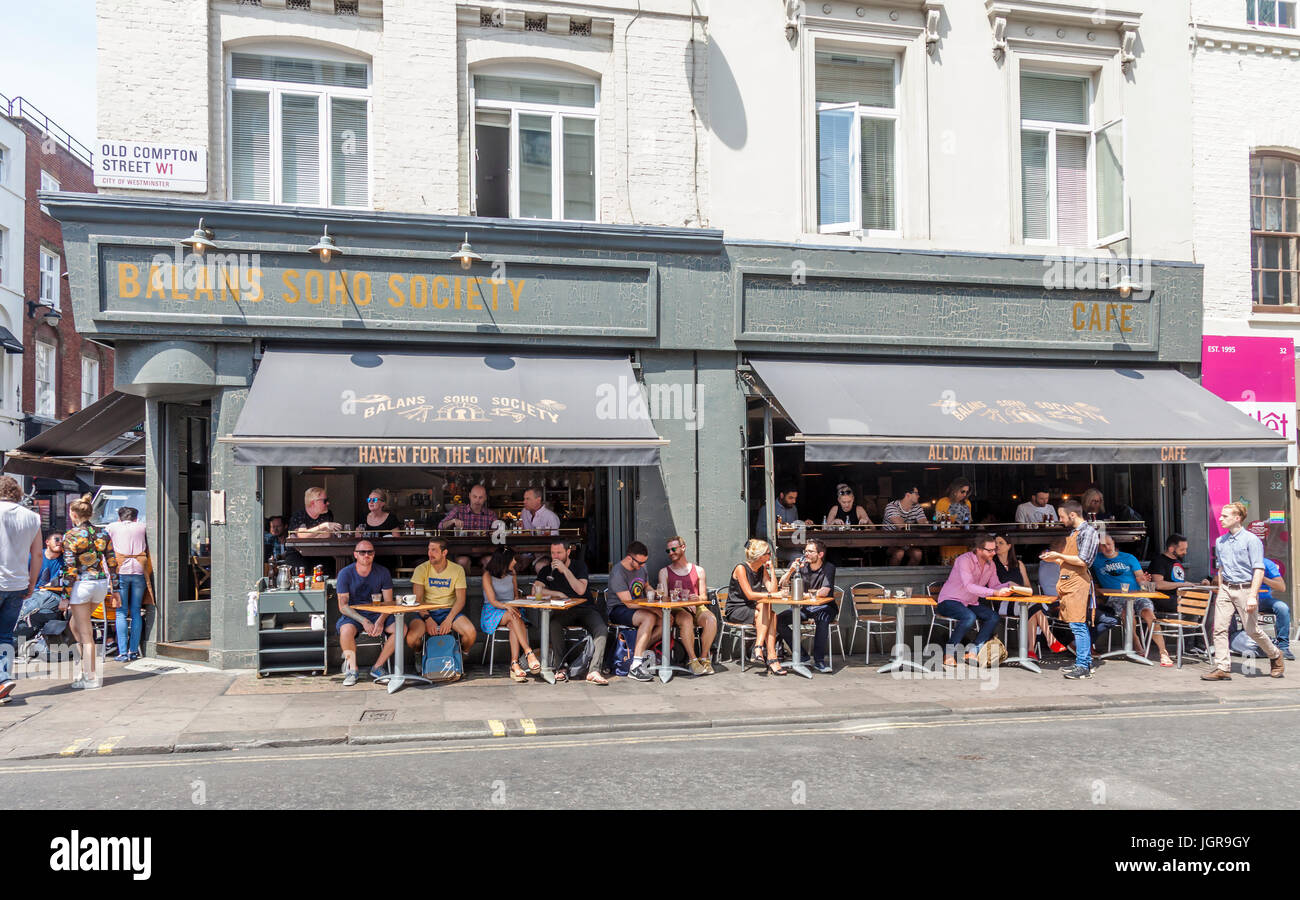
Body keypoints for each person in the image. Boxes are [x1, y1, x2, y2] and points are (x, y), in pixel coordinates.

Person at [1203, 503, 1284, 681]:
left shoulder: (1251, 540)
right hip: (1226, 589)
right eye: (1221, 515)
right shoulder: (1220, 541)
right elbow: (1222, 568)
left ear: (1237, 518)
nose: (1221, 518)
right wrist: (1221, 589)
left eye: (1225, 516)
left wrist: (1253, 596)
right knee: (1220, 629)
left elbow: (1258, 569)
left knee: (1252, 630)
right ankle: (1222, 667)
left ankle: (1275, 655)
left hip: (1245, 589)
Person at [335, 540, 410, 685]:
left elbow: (389, 602)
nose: (366, 555)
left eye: (370, 552)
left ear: (374, 554)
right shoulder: (345, 573)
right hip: (354, 614)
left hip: (378, 612)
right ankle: (352, 669)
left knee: (402, 629)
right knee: (345, 631)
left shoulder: (382, 572)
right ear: (355, 555)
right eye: (362, 552)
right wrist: (363, 620)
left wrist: (381, 620)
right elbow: (343, 606)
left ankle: (377, 667)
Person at [535, 540, 609, 685]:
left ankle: (594, 670)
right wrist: (558, 593)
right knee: (554, 624)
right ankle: (561, 667)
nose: (555, 556)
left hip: (585, 608)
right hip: (564, 611)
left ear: (568, 552)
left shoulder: (579, 566)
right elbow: (536, 590)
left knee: (601, 629)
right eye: (552, 553)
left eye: (559, 553)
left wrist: (565, 570)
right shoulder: (546, 570)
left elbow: (581, 590)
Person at [1091, 534, 1172, 665]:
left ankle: (1163, 652)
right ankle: (1137, 644)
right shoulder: (1095, 560)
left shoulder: (1129, 558)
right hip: (1115, 597)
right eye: (1103, 545)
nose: (1107, 547)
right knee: (1126, 614)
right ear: (1098, 547)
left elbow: (1139, 577)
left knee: (1149, 614)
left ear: (1114, 544)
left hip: (1137, 594)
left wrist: (1144, 582)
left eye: (1109, 544)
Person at [936, 533, 1015, 667]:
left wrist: (1009, 585)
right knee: (969, 617)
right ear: (978, 549)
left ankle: (972, 651)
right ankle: (948, 654)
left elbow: (994, 585)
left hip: (969, 603)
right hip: (949, 601)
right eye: (989, 550)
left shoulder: (991, 565)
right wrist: (995, 592)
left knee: (993, 617)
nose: (993, 553)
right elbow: (969, 586)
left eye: (994, 549)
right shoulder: (964, 560)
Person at [1040, 499, 1099, 680]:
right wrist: (1054, 559)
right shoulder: (1075, 532)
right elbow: (1071, 560)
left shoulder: (1088, 532)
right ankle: (1084, 663)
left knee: (1078, 625)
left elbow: (1083, 561)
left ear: (1073, 515)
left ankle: (1082, 666)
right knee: (1076, 624)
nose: (1060, 519)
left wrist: (1058, 554)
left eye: (1062, 516)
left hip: (1078, 583)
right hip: (1069, 581)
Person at [60, 493, 114, 690]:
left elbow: (69, 568)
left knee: (85, 633)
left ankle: (91, 677)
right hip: (100, 584)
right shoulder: (103, 533)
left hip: (81, 586)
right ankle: (86, 669)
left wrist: (65, 596)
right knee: (76, 625)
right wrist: (114, 589)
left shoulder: (71, 536)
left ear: (74, 514)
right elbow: (112, 562)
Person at [0, 476, 42, 702]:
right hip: (18, 583)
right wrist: (32, 583)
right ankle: (3, 681)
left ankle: (2, 680)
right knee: (5, 634)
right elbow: (37, 554)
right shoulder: (32, 517)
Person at [993, 534, 1065, 659]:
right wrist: (1008, 587)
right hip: (1002, 602)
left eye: (1001, 543)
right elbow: (992, 586)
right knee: (1034, 607)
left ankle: (1031, 651)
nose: (997, 545)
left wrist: (1020, 589)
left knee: (1032, 610)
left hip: (1022, 601)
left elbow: (1028, 587)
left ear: (1009, 546)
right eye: (996, 543)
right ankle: (1050, 639)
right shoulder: (992, 564)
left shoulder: (1018, 564)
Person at [775, 538, 838, 673]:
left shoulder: (828, 568)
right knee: (778, 620)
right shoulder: (801, 568)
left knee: (822, 617)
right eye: (805, 551)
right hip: (804, 608)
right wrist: (791, 570)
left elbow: (825, 592)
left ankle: (819, 661)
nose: (806, 554)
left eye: (810, 551)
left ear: (820, 554)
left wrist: (805, 596)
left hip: (824, 607)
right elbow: (782, 583)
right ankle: (803, 656)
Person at [656, 535, 717, 676]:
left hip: (697, 607)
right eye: (668, 551)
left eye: (673, 549)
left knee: (711, 620)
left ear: (683, 547)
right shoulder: (664, 572)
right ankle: (693, 660)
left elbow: (704, 597)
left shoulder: (699, 570)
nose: (671, 553)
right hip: (678, 608)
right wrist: (680, 600)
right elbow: (664, 598)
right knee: (686, 620)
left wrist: (696, 598)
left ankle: (704, 658)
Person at [412, 538, 476, 669]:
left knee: (471, 633)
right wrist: (428, 619)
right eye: (429, 549)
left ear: (444, 552)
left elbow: (461, 599)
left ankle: (460, 656)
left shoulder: (457, 570)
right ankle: (419, 656)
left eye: (434, 550)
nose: (430, 553)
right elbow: (417, 600)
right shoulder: (421, 569)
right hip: (426, 611)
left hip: (449, 611)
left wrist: (449, 619)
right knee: (412, 638)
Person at [480, 547, 541, 682]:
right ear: (504, 560)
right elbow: (492, 601)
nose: (515, 562)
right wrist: (507, 606)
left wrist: (516, 603)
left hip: (511, 608)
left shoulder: (512, 573)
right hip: (493, 610)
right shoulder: (487, 576)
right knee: (514, 617)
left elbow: (515, 594)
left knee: (514, 621)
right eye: (513, 559)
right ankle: (528, 652)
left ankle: (515, 664)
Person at [727, 539, 784, 675]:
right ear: (760, 556)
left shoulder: (762, 568)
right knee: (770, 611)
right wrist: (772, 596)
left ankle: (764, 652)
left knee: (770, 611)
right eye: (768, 553)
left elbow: (772, 589)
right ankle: (768, 654)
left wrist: (772, 571)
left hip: (754, 608)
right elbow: (750, 595)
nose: (770, 556)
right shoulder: (741, 568)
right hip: (736, 609)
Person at [608, 541, 661, 682]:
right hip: (618, 609)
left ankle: (635, 652)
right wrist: (654, 609)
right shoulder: (617, 572)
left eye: (645, 562)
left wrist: (653, 593)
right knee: (649, 618)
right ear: (629, 558)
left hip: (640, 607)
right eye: (640, 563)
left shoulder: (642, 568)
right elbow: (629, 603)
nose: (643, 566)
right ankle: (635, 666)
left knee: (668, 621)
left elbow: (647, 586)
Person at [106, 507, 149, 663]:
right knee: (136, 610)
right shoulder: (142, 526)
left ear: (119, 518)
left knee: (121, 612)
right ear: (136, 518)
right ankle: (133, 651)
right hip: (139, 568)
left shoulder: (112, 527)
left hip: (120, 569)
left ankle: (122, 653)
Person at [437, 484, 498, 570]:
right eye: (475, 496)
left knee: (490, 560)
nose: (477, 500)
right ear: (469, 496)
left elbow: (498, 533)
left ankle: (486, 583)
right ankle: (465, 583)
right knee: (463, 561)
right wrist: (453, 521)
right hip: (463, 551)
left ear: (485, 498)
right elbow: (440, 526)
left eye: (480, 497)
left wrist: (495, 532)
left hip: (484, 551)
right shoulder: (458, 510)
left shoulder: (491, 514)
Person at [285, 487, 343, 571]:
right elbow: (302, 535)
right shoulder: (299, 515)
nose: (328, 503)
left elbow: (327, 535)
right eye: (325, 501)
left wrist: (308, 535)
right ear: (313, 503)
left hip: (320, 553)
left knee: (334, 567)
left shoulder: (327, 514)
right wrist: (323, 526)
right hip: (298, 554)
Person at [1253, 557, 1292, 661]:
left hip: (1263, 600)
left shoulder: (1266, 563)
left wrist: (1262, 578)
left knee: (1282, 607)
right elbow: (1217, 579)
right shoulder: (1238, 561)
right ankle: (1231, 643)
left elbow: (1281, 587)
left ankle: (1283, 647)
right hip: (1242, 599)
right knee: (1226, 607)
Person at [517, 486, 561, 574]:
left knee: (540, 566)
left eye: (528, 499)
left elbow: (555, 543)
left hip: (545, 553)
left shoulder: (550, 517)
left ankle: (542, 587)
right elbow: (523, 533)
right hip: (527, 552)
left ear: (538, 499)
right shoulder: (524, 512)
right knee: (512, 564)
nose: (524, 502)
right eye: (524, 499)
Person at [883, 486, 927, 566]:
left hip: (907, 543)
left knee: (918, 553)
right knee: (899, 553)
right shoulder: (892, 506)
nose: (919, 496)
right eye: (916, 493)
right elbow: (901, 526)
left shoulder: (917, 507)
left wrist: (924, 524)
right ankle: (893, 578)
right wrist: (918, 527)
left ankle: (908, 577)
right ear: (908, 495)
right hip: (889, 543)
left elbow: (924, 524)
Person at [935, 477, 973, 566]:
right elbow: (940, 524)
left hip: (964, 542)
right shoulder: (943, 502)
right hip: (948, 542)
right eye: (962, 491)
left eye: (967, 492)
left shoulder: (967, 503)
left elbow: (969, 521)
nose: (965, 494)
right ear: (954, 490)